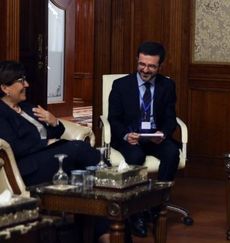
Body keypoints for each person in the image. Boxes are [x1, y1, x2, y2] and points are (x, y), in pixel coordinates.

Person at [0, 60, 109, 243]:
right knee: (78, 148)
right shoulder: (1, 113)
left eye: (25, 79)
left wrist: (54, 122)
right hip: (28, 168)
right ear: (5, 88)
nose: (26, 84)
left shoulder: (27, 107)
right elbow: (15, 147)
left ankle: (103, 231)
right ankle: (115, 179)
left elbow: (54, 132)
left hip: (48, 159)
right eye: (21, 81)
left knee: (89, 180)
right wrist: (46, 142)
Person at [108, 41, 180, 236]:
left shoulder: (167, 85)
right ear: (137, 60)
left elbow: (170, 118)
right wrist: (125, 134)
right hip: (129, 137)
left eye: (151, 66)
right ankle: (135, 213)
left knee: (172, 153)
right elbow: (113, 119)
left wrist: (163, 134)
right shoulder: (121, 85)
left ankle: (157, 208)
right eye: (142, 64)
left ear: (160, 66)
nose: (145, 70)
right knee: (135, 157)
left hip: (154, 137)